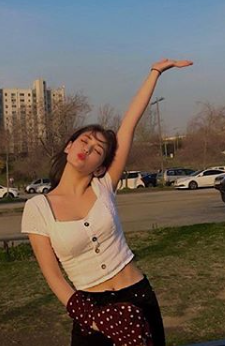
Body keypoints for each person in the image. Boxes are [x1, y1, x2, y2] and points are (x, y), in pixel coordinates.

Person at [21, 58, 193, 346]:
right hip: (90, 309)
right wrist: (93, 318)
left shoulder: (103, 187)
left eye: (98, 149)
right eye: (84, 141)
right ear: (69, 146)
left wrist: (155, 72)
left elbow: (128, 126)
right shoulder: (37, 207)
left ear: (101, 166)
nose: (88, 148)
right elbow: (53, 276)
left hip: (138, 297)